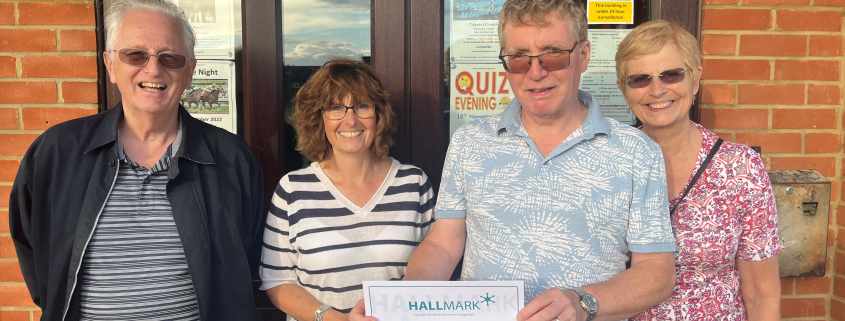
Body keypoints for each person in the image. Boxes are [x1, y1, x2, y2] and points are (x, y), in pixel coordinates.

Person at [351, 1, 677, 321]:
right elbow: (445, 241)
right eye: (519, 58)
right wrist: (406, 301)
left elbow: (656, 271)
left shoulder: (637, 152)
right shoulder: (470, 141)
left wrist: (585, 303)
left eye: (553, 54)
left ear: (584, 54)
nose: (536, 72)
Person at [8, 0, 265, 320]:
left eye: (170, 57)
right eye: (135, 55)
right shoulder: (58, 152)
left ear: (189, 72)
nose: (154, 69)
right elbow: (37, 255)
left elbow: (248, 256)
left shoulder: (230, 158)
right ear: (110, 64)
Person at [614, 20, 781, 320]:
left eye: (671, 75)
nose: (657, 89)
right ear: (623, 90)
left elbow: (761, 293)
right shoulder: (608, 164)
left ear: (695, 78)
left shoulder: (739, 168)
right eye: (640, 79)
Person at [260, 58, 436, 321]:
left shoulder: (414, 184)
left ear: (378, 114)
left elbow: (436, 269)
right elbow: (276, 281)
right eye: (335, 108)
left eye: (362, 106)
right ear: (318, 118)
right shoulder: (292, 190)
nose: (350, 120)